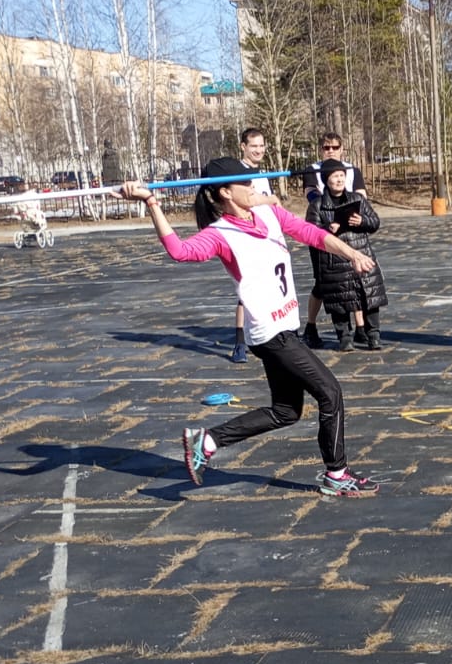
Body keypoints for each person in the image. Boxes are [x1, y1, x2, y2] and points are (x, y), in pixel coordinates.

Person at [117, 157, 379, 496]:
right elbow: (180, 251)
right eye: (246, 183)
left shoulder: (269, 214)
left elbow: (313, 235)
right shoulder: (220, 234)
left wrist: (351, 254)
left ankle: (208, 440)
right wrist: (151, 202)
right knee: (330, 393)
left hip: (285, 326)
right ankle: (336, 473)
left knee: (286, 412)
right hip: (270, 333)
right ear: (226, 192)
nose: (253, 187)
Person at [300, 132, 366, 349]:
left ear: (341, 149)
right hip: (323, 230)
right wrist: (332, 205)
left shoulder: (352, 170)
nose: (330, 151)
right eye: (326, 147)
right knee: (322, 283)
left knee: (356, 278)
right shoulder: (312, 170)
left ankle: (361, 327)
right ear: (321, 149)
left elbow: (361, 196)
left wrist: (348, 211)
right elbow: (311, 194)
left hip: (349, 230)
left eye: (334, 147)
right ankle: (311, 326)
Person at [311, 160, 387, 351]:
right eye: (335, 176)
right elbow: (310, 232)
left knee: (369, 297)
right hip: (334, 260)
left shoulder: (357, 199)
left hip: (361, 254)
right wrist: (328, 229)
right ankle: (344, 337)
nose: (339, 180)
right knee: (340, 301)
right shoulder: (317, 205)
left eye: (342, 176)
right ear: (326, 180)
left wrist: (362, 221)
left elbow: (375, 222)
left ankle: (373, 335)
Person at [226, 128, 273, 363]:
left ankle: (268, 335)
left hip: (265, 237)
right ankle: (240, 343)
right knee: (246, 290)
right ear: (243, 147)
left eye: (261, 145)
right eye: (254, 146)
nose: (258, 150)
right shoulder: (237, 174)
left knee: (268, 287)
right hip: (245, 237)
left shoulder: (262, 175)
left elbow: (268, 207)